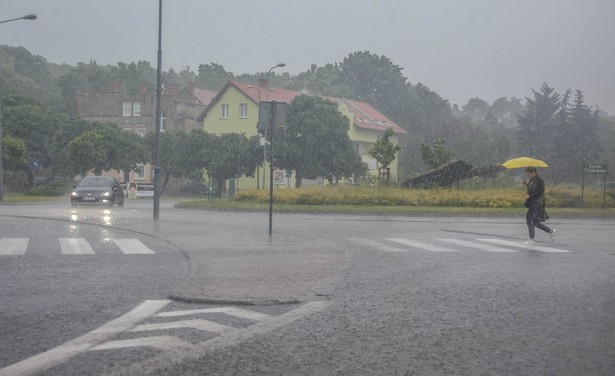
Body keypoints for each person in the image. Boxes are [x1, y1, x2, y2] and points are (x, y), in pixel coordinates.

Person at [522, 167, 556, 244]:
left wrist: (530, 196)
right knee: (534, 222)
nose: (528, 176)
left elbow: (540, 191)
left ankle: (531, 239)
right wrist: (526, 185)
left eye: (528, 174)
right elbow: (531, 190)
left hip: (538, 204)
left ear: (533, 172)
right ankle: (551, 231)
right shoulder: (531, 180)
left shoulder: (539, 180)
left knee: (531, 221)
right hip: (532, 203)